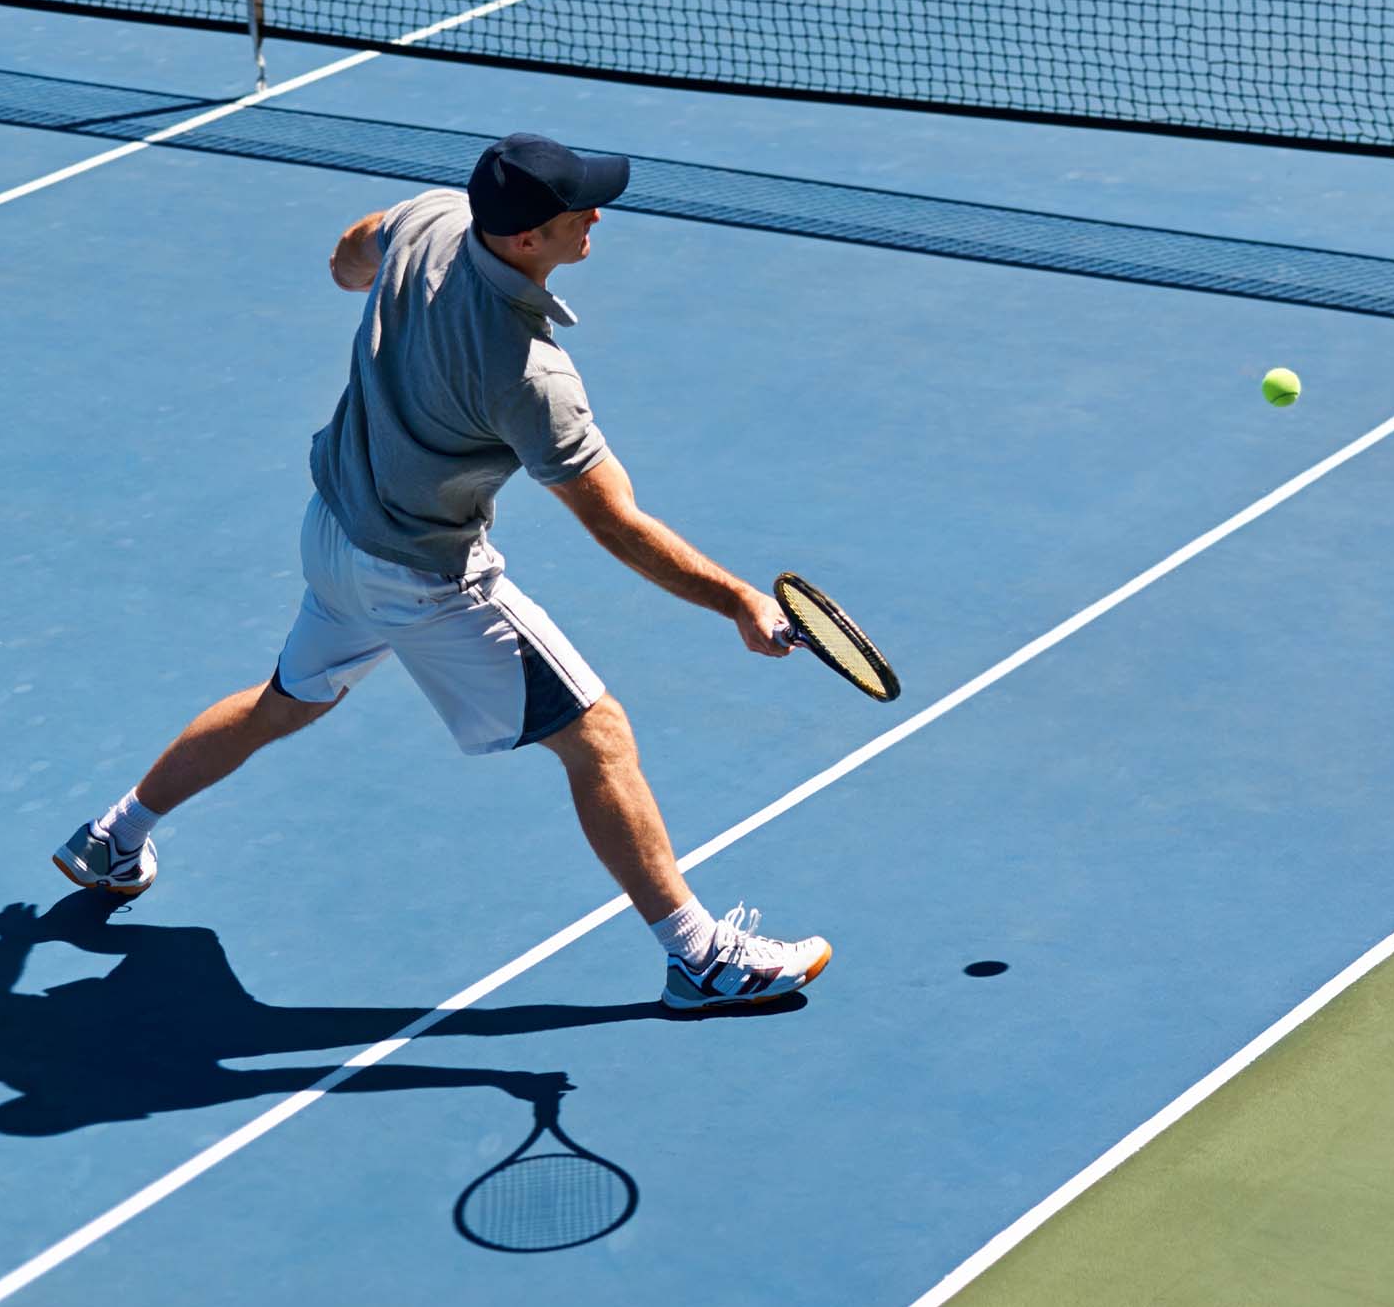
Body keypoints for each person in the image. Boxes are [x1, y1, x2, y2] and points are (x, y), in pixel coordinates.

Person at [53, 133, 829, 1011]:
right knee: (599, 737)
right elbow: (613, 521)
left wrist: (375, 283)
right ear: (529, 239)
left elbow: (352, 252)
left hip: (336, 531)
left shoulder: (434, 217)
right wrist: (736, 599)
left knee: (285, 703)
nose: (598, 217)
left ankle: (114, 837)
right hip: (422, 578)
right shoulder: (531, 375)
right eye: (582, 211)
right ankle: (698, 958)